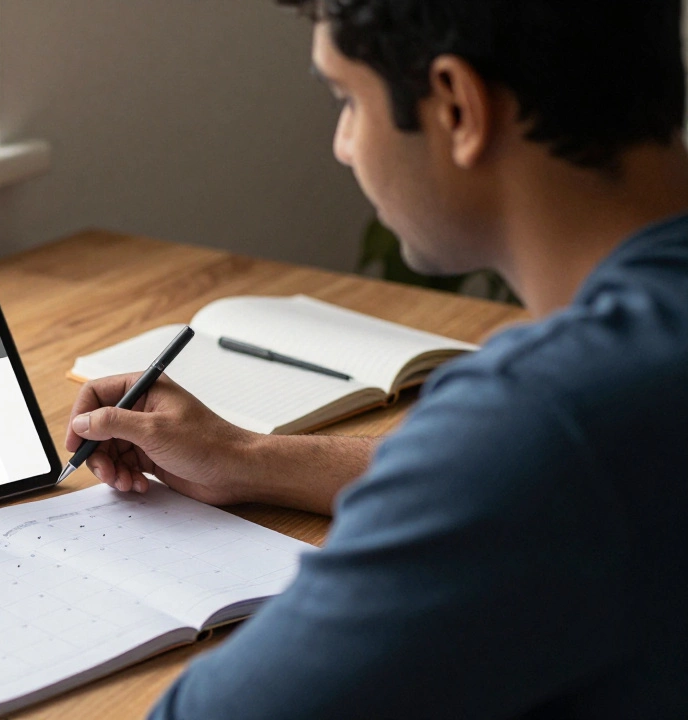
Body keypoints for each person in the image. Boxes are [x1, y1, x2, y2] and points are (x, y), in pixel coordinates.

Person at [66, 1, 688, 717]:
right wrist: (247, 455)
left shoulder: (551, 419)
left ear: (458, 106)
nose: (343, 144)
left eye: (347, 100)